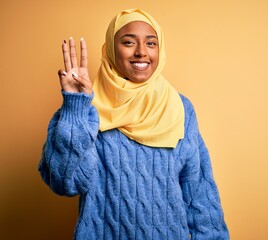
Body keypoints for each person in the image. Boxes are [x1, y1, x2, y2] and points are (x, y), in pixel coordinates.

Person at [38, 8, 229, 240]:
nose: (141, 52)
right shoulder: (86, 108)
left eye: (151, 43)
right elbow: (65, 183)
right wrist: (75, 106)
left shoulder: (180, 107)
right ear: (110, 49)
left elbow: (199, 191)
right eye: (128, 42)